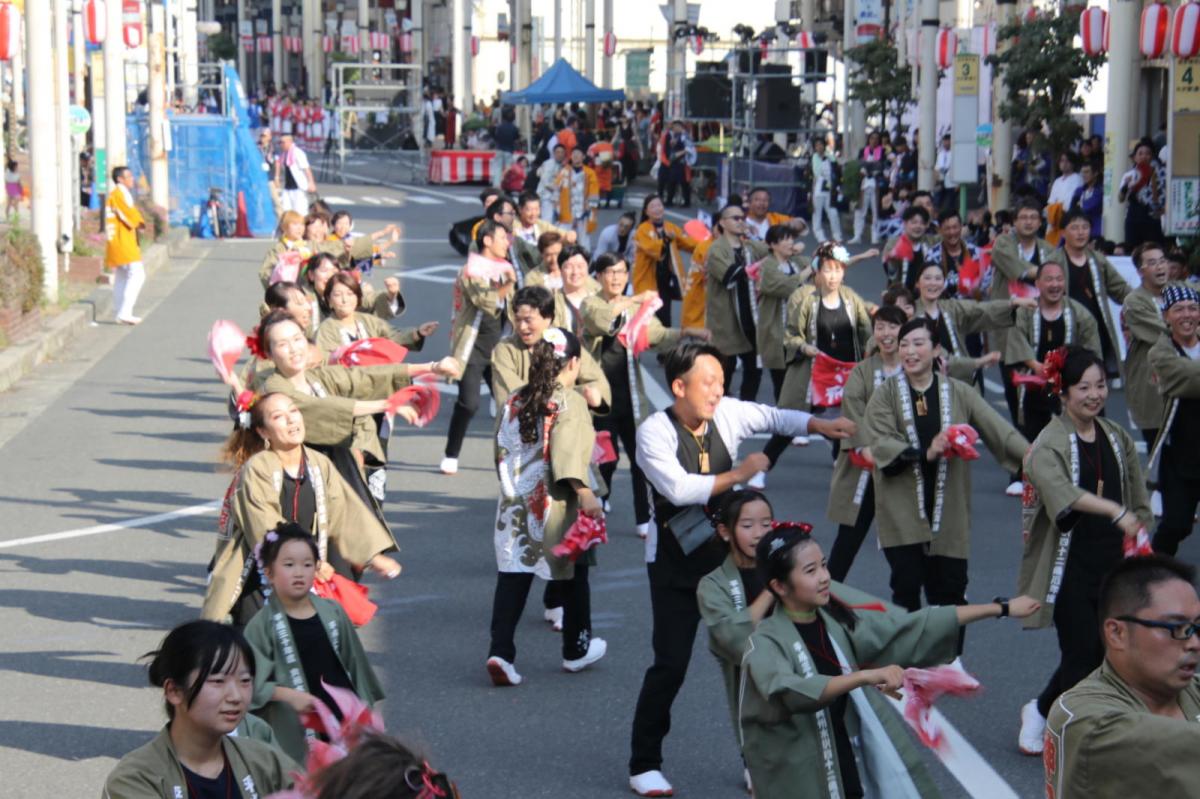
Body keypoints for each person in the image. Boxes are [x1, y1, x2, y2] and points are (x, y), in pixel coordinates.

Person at [627, 339, 854, 797]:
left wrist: (820, 425)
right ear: (678, 386)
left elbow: (774, 416)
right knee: (670, 665)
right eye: (707, 382)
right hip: (674, 567)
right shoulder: (654, 432)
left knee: (751, 663)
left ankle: (758, 759)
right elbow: (678, 488)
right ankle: (643, 763)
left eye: (721, 383)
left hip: (732, 564)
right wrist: (740, 473)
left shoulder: (727, 414)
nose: (717, 391)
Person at [740, 524, 1040, 799]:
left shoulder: (834, 621)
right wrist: (863, 677)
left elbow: (913, 625)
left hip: (838, 755)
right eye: (810, 570)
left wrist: (1000, 608)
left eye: (824, 565)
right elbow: (789, 691)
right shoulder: (766, 642)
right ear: (779, 586)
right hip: (792, 771)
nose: (824, 577)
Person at [1015, 346, 1153, 755]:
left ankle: (1039, 709)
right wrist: (1114, 509)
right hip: (1068, 566)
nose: (1094, 394)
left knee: (1108, 651)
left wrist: (1142, 535)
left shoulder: (1116, 436)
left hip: (1113, 563)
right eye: (1083, 387)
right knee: (1081, 653)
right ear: (1063, 392)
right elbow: (1064, 494)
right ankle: (1074, 743)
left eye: (1100, 385)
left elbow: (1138, 496)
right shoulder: (1047, 443)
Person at [864, 318, 1027, 647]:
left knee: (950, 589)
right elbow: (880, 441)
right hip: (901, 508)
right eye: (905, 344)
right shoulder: (885, 395)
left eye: (919, 344)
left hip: (948, 508)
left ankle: (949, 661)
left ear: (937, 349)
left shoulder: (959, 393)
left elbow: (1001, 432)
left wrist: (1039, 459)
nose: (910, 351)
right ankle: (909, 663)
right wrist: (928, 451)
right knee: (906, 587)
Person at [202, 392, 401, 625]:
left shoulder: (319, 464)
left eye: (294, 411)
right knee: (258, 652)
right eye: (278, 416)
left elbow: (345, 512)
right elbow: (265, 525)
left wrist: (373, 556)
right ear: (263, 431)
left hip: (302, 575)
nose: (291, 420)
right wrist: (309, 562)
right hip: (261, 579)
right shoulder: (258, 468)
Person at [488, 328, 607, 685]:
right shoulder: (569, 401)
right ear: (574, 362)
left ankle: (500, 652)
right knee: (574, 572)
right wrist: (584, 492)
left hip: (514, 501)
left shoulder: (515, 399)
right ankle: (576, 647)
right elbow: (568, 453)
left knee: (512, 575)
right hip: (554, 503)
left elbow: (500, 448)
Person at [254, 311, 458, 502]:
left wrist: (431, 367)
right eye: (282, 344)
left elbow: (362, 376)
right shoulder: (275, 389)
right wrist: (386, 404)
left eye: (298, 339)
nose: (294, 348)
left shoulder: (316, 376)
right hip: (298, 480)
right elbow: (320, 407)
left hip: (334, 471)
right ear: (269, 354)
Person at [1045, 555, 1200, 796]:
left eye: (1196, 628)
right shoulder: (1087, 719)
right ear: (1117, 633)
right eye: (1176, 628)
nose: (1194, 643)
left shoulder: (1191, 690)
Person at [102, 620, 296, 798]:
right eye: (218, 681)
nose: (236, 696)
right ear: (174, 691)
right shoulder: (135, 778)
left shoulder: (264, 761)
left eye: (245, 681)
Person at [244, 524, 386, 763]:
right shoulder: (261, 625)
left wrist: (366, 711)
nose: (299, 573)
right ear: (268, 572)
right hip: (293, 723)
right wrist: (289, 695)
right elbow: (246, 683)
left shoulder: (333, 612)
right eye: (289, 565)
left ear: (317, 569)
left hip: (340, 716)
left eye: (307, 565)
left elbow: (356, 666)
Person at [581, 255, 693, 538]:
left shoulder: (634, 307)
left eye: (621, 272)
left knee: (639, 458)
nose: (616, 278)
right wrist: (636, 299)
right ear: (600, 276)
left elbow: (655, 334)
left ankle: (643, 517)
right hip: (600, 398)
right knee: (604, 457)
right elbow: (604, 321)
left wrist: (688, 332)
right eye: (610, 272)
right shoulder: (591, 303)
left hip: (631, 396)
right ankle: (601, 500)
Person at [766, 242, 875, 473]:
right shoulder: (804, 297)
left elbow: (867, 334)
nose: (833, 276)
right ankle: (761, 466)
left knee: (846, 420)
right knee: (793, 422)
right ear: (817, 270)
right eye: (828, 270)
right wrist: (804, 347)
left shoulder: (851, 299)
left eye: (838, 270)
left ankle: (842, 461)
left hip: (844, 373)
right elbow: (791, 335)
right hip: (813, 373)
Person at [696, 490, 779, 787]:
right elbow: (735, 639)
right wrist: (773, 589)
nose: (759, 534)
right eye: (747, 526)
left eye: (766, 524)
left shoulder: (787, 565)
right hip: (752, 677)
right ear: (725, 532)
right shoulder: (713, 584)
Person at [824, 305, 907, 582]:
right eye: (880, 327)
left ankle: (910, 601)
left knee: (903, 543)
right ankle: (826, 596)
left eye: (892, 327)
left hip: (903, 470)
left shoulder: (915, 368)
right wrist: (872, 448)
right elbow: (853, 413)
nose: (885, 333)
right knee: (848, 539)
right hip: (866, 468)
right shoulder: (862, 372)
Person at [442, 220, 516, 476]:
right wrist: (509, 284)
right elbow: (487, 302)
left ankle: (511, 458)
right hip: (472, 346)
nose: (507, 243)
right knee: (469, 403)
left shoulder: (505, 267)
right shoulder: (471, 270)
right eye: (502, 238)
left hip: (500, 345)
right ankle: (451, 453)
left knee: (510, 403)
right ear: (487, 241)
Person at [1004, 261, 1102, 449]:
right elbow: (1016, 340)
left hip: (1068, 389)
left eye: (1059, 279)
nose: (1054, 284)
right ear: (1038, 284)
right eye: (1049, 279)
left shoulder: (1079, 313)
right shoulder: (1026, 311)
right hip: (1034, 389)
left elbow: (1092, 352)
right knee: (1029, 445)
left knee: (1070, 444)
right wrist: (1036, 366)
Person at [1047, 209, 1131, 380]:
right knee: (1065, 383)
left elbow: (1121, 290)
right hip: (1065, 330)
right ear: (1063, 232)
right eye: (1075, 227)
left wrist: (1146, 301)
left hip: (1096, 331)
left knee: (1094, 383)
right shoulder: (1053, 260)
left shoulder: (1098, 260)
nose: (1080, 232)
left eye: (1085, 227)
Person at [1148, 285, 1200, 555]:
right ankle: (1151, 571)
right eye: (1178, 309)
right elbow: (1188, 379)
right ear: (1166, 316)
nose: (1186, 315)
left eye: (1192, 308)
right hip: (1179, 454)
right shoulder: (1160, 353)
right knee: (1178, 524)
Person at [705, 203, 770, 400]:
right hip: (728, 320)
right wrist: (757, 265)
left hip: (750, 316)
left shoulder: (748, 246)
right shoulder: (716, 249)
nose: (741, 221)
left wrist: (752, 236)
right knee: (725, 369)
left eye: (742, 218)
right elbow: (729, 276)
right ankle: (719, 409)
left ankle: (746, 407)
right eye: (735, 218)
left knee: (755, 366)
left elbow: (772, 251)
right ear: (723, 223)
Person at [315, 272, 435, 357]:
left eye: (350, 294)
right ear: (329, 301)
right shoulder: (325, 330)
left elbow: (392, 336)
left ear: (358, 298)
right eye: (337, 295)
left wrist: (418, 333)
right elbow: (325, 363)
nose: (344, 299)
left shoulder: (368, 321)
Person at [755, 225, 813, 400]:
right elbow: (785, 286)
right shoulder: (768, 267)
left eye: (791, 239)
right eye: (785, 239)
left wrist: (860, 256)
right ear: (773, 244)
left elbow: (822, 266)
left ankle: (797, 419)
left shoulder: (795, 262)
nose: (790, 242)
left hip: (799, 331)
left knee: (800, 380)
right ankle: (782, 421)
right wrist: (811, 268)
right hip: (776, 332)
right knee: (781, 383)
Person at [1123, 242, 1171, 452]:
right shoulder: (1134, 301)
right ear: (1140, 271)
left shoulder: (1179, 291)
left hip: (1183, 378)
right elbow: (1167, 332)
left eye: (1162, 261)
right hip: (1151, 380)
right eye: (1152, 263)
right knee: (1157, 444)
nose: (1160, 267)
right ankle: (1157, 484)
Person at [633, 195, 699, 327]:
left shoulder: (671, 228)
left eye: (659, 205)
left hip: (666, 279)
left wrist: (707, 244)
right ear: (646, 212)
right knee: (646, 316)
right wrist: (666, 240)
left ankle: (664, 342)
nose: (657, 209)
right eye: (653, 206)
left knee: (664, 315)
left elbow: (689, 243)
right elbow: (652, 248)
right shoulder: (642, 230)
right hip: (648, 278)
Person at [105, 166, 148, 326]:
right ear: (120, 179)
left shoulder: (119, 193)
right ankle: (125, 312)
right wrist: (139, 221)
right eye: (128, 176)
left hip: (118, 240)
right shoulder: (119, 193)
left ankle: (120, 311)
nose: (132, 179)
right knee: (137, 274)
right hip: (122, 240)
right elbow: (127, 213)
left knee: (122, 276)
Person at [1118, 138, 1167, 249]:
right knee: (1132, 249)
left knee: (1152, 248)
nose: (1144, 156)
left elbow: (1162, 198)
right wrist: (1126, 186)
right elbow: (1120, 199)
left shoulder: (1160, 174)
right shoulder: (1129, 175)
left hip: (1151, 218)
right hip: (1133, 217)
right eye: (1140, 154)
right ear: (1135, 157)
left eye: (1147, 154)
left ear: (1152, 156)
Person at [883, 205, 939, 290]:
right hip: (900, 294)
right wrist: (892, 260)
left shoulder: (931, 241)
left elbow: (949, 235)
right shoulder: (894, 243)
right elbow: (890, 272)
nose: (918, 226)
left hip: (926, 293)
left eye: (922, 223)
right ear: (905, 223)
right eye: (914, 222)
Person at [555, 148, 600, 249]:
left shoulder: (590, 173)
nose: (575, 156)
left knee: (583, 240)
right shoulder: (564, 171)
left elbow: (594, 193)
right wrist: (557, 208)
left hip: (583, 211)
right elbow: (556, 190)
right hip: (567, 211)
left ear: (583, 157)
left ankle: (585, 259)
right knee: (563, 236)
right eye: (573, 154)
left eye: (578, 154)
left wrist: (590, 208)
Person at [851, 132, 887, 245]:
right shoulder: (863, 151)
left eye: (877, 139)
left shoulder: (883, 151)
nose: (874, 141)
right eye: (872, 138)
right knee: (861, 210)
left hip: (875, 183)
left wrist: (876, 169)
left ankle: (874, 236)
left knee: (875, 211)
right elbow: (859, 165)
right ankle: (857, 235)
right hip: (864, 182)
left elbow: (883, 166)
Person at [743, 187, 808, 243]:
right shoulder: (741, 219)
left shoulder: (775, 218)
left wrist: (791, 225)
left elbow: (801, 225)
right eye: (757, 200)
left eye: (765, 200)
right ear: (749, 202)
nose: (761, 203)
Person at [809, 137, 844, 242]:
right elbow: (814, 174)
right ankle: (819, 235)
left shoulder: (831, 158)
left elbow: (837, 173)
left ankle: (837, 235)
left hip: (830, 189)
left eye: (821, 144)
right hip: (818, 188)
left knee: (833, 212)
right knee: (817, 213)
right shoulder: (813, 158)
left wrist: (838, 187)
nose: (819, 147)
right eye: (817, 145)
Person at [1046, 152, 1084, 246]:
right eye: (1062, 161)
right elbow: (1051, 201)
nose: (1064, 164)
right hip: (1055, 217)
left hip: (1068, 215)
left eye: (1067, 161)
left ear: (1072, 163)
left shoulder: (1077, 178)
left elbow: (1072, 199)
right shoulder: (1057, 181)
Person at [657, 120, 696, 207]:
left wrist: (679, 154)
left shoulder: (685, 136)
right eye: (674, 127)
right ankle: (669, 200)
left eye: (676, 126)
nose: (674, 128)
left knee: (684, 182)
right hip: (674, 162)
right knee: (672, 181)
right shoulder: (673, 135)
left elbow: (689, 149)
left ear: (680, 127)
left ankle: (687, 201)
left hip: (683, 162)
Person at [275, 134, 316, 214]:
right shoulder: (284, 154)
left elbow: (306, 168)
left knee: (300, 211)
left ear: (290, 142)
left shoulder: (298, 153)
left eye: (283, 142)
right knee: (286, 211)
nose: (281, 145)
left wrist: (311, 183)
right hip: (287, 187)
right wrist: (277, 177)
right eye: (280, 142)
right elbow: (279, 164)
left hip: (298, 187)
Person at [1070, 160, 1104, 241]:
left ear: (1095, 173)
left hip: (1095, 231)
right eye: (1082, 172)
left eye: (1087, 172)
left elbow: (1090, 206)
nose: (1084, 175)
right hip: (1079, 230)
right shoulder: (1079, 190)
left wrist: (1080, 204)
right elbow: (1072, 209)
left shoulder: (1100, 190)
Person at [536, 143, 567, 217]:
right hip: (546, 197)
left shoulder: (562, 166)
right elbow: (546, 182)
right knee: (548, 222)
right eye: (558, 152)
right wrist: (558, 190)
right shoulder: (549, 164)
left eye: (562, 152)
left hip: (555, 199)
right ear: (554, 153)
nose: (560, 154)